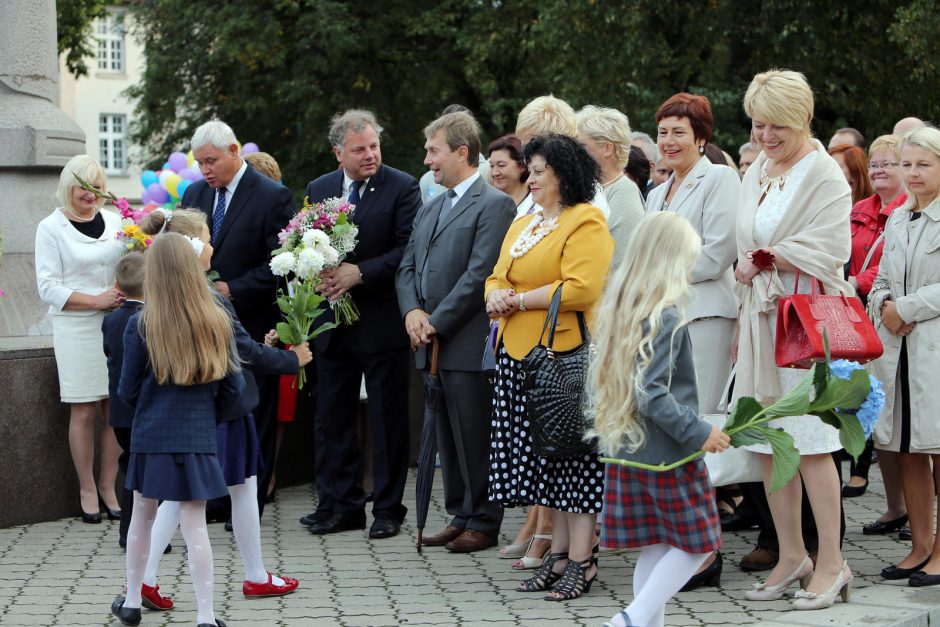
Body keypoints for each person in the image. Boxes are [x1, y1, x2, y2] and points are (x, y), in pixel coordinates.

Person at [136, 209, 307, 609]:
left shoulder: (166, 297)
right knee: (239, 486)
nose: (213, 245)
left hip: (193, 413)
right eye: (208, 238)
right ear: (194, 248)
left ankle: (148, 577)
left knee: (187, 495)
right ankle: (254, 575)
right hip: (226, 409)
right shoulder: (210, 297)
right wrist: (291, 359)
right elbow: (241, 350)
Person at [734, 69, 854, 610]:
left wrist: (765, 258)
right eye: (759, 125)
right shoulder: (757, 167)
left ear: (803, 120)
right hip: (760, 321)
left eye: (777, 126)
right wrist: (750, 264)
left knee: (811, 443)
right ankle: (790, 555)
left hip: (803, 325)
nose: (766, 136)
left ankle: (832, 561)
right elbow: (747, 236)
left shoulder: (825, 174)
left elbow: (833, 248)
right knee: (766, 445)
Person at [486, 133, 613, 601]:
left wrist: (515, 299)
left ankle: (583, 561)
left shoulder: (587, 221)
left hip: (564, 359)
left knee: (574, 463)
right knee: (546, 467)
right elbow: (496, 273)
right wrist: (495, 295)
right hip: (519, 357)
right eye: (530, 170)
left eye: (539, 171)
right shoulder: (526, 224)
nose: (531, 178)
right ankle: (559, 556)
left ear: (564, 174)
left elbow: (581, 288)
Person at [593, 212, 731, 627]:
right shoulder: (666, 315)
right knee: (698, 544)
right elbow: (651, 392)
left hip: (627, 448)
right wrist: (699, 431)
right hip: (667, 453)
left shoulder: (622, 307)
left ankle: (644, 623)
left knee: (655, 545)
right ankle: (631, 618)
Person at [110, 232, 244, 627]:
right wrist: (207, 417)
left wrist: (151, 410)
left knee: (141, 519)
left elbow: (126, 389)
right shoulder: (215, 319)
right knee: (195, 526)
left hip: (151, 435)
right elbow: (233, 388)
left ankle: (133, 602)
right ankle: (206, 615)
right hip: (198, 435)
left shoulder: (141, 324)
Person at [397, 111, 516, 552]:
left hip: (465, 342)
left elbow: (479, 274)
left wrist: (435, 321)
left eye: (434, 151)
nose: (428, 160)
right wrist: (411, 311)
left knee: (474, 434)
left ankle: (485, 519)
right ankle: (461, 512)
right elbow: (407, 267)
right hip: (429, 344)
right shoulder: (431, 207)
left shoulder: (494, 205)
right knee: (446, 435)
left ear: (461, 152)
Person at [302, 109, 421, 539]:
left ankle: (388, 508)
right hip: (333, 323)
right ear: (339, 153)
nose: (370, 154)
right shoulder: (320, 188)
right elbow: (306, 240)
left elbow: (408, 250)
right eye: (359, 149)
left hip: (380, 321)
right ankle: (341, 504)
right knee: (332, 415)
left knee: (388, 421)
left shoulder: (402, 187)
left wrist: (360, 272)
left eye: (373, 146)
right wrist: (314, 266)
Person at [645, 92, 740, 590]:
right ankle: (685, 543)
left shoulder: (720, 178)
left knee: (698, 428)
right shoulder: (657, 192)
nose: (668, 141)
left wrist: (660, 278)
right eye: (662, 132)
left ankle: (706, 553)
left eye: (679, 132)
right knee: (676, 433)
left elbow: (720, 251)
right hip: (664, 320)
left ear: (701, 138)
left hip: (703, 314)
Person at [181, 120, 295, 517]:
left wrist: (235, 289)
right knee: (212, 410)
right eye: (199, 163)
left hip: (253, 321)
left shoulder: (272, 196)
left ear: (234, 151)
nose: (205, 170)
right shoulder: (195, 194)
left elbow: (282, 262)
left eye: (211, 161)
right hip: (203, 325)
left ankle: (249, 504)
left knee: (255, 411)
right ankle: (214, 498)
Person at [35, 154, 124, 523]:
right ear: (68, 186)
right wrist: (96, 300)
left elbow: (131, 263)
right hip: (75, 326)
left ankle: (109, 487)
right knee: (84, 408)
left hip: (117, 323)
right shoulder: (50, 227)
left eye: (97, 187)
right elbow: (48, 287)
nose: (91, 195)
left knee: (114, 409)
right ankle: (86, 488)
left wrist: (121, 290)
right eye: (83, 187)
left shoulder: (118, 221)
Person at [868, 126, 940, 587]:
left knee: (938, 453)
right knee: (909, 451)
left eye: (923, 165)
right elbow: (878, 281)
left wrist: (906, 309)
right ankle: (919, 545)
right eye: (907, 164)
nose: (912, 173)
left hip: (933, 351)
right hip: (900, 353)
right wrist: (885, 308)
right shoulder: (897, 218)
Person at [842, 136, 908, 515]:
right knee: (869, 408)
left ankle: (904, 508)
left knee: (891, 415)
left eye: (890, 163)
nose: (880, 170)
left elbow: (889, 268)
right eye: (876, 164)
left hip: (883, 315)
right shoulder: (859, 209)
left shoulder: (906, 211)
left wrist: (858, 283)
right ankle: (895, 507)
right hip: (854, 316)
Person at [102, 252, 146, 548]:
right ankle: (137, 534)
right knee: (142, 474)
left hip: (119, 411)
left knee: (130, 466)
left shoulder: (111, 320)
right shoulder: (147, 321)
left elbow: (109, 352)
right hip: (143, 410)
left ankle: (128, 531)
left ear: (117, 284)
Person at [514, 95, 610, 217]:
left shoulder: (585, 196)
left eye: (530, 147)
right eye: (523, 148)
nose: (525, 156)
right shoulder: (543, 187)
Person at [576, 105, 646, 267]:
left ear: (607, 148)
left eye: (581, 147)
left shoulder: (624, 193)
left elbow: (620, 266)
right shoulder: (589, 189)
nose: (574, 153)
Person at [419, 104, 491, 203]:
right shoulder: (426, 181)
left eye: (434, 150)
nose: (426, 161)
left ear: (462, 153)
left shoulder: (491, 173)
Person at [487, 134, 534, 216]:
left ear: (522, 166)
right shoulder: (488, 205)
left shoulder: (536, 204)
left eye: (501, 165)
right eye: (492, 166)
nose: (494, 173)